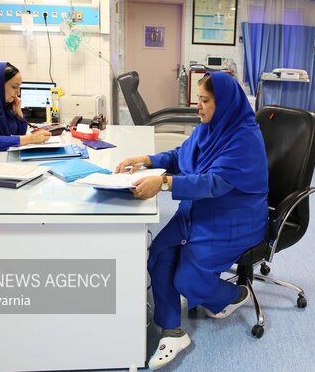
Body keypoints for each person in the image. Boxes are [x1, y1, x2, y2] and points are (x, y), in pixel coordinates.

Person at [115, 72, 269, 370]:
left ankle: (234, 295)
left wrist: (164, 183)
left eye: (205, 100)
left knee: (187, 279)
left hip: (233, 219)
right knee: (160, 254)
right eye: (198, 99)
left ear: (224, 103)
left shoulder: (245, 139)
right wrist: (147, 160)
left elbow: (215, 183)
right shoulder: (208, 129)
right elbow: (181, 155)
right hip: (200, 209)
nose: (198, 106)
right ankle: (172, 331)